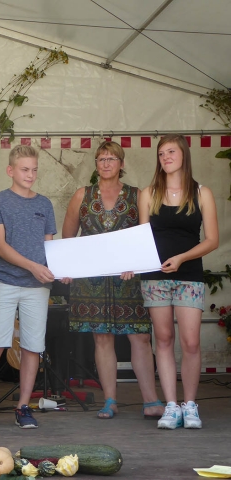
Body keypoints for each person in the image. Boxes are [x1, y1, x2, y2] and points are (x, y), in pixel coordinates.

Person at [61, 141, 164, 419]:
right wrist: (67, 267)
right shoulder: (82, 195)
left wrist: (135, 263)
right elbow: (68, 239)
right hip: (91, 281)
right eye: (101, 159)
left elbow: (144, 237)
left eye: (111, 158)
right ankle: (110, 401)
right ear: (96, 164)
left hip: (128, 279)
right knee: (102, 337)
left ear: (122, 163)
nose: (106, 163)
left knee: (140, 336)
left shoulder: (136, 194)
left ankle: (151, 400)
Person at [0, 145, 56, 430]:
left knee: (32, 348)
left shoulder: (45, 204)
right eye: (24, 169)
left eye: (34, 170)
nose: (30, 174)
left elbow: (50, 247)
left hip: (37, 287)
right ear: (10, 170)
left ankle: (23, 407)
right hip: (5, 282)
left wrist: (59, 269)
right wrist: (33, 266)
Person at [139, 134, 218, 429]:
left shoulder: (201, 193)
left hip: (189, 275)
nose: (166, 157)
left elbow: (212, 240)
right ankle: (171, 405)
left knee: (191, 341)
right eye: (161, 154)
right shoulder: (148, 193)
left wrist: (182, 258)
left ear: (184, 154)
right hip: (155, 276)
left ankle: (190, 405)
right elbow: (141, 238)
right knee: (163, 339)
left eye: (171, 151)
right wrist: (131, 263)